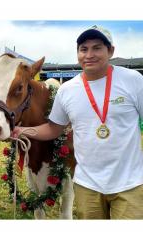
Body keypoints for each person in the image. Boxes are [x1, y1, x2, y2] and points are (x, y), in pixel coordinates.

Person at [12, 25, 143, 219]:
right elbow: (53, 128)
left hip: (129, 185)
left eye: (97, 48)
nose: (89, 54)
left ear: (111, 51)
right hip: (86, 186)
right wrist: (19, 131)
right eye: (83, 49)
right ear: (78, 53)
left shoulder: (133, 80)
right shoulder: (68, 90)